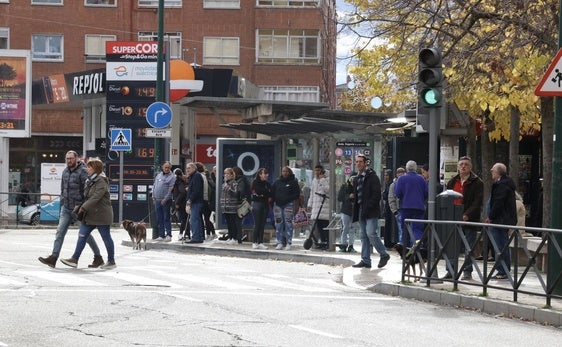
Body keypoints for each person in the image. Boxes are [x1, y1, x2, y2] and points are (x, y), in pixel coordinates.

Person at [38, 150, 104, 268]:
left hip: (79, 209)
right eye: (67, 159)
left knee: (85, 235)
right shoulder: (64, 172)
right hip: (66, 208)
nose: (69, 161)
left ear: (77, 159)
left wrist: (84, 207)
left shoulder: (83, 172)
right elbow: (62, 190)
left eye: (71, 158)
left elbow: (88, 191)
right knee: (60, 232)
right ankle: (53, 258)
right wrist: (62, 205)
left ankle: (98, 257)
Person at [60, 159, 116, 269]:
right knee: (82, 235)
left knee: (106, 238)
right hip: (90, 215)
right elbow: (86, 196)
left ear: (96, 169)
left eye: (90, 167)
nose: (87, 169)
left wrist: (83, 207)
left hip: (101, 215)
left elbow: (96, 197)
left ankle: (111, 261)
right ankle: (74, 259)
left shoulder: (101, 181)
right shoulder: (90, 180)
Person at [443, 156, 484, 280]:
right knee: (451, 246)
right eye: (461, 164)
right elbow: (446, 198)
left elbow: (477, 202)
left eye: (466, 164)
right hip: (453, 218)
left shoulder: (477, 182)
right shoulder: (452, 181)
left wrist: (467, 214)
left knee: (468, 246)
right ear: (458, 167)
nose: (463, 167)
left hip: (469, 219)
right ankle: (450, 271)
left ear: (470, 167)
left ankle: (467, 271)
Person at [351, 154, 390, 269]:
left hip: (371, 211)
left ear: (365, 163)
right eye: (356, 162)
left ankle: (384, 254)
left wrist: (369, 206)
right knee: (363, 236)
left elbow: (376, 194)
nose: (358, 164)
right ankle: (366, 260)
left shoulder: (372, 177)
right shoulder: (357, 177)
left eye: (360, 162)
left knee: (371, 233)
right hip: (361, 209)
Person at [485, 162, 517, 280]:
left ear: (498, 172)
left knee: (500, 246)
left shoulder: (502, 185)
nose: (491, 172)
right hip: (501, 220)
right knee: (500, 245)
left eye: (492, 170)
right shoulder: (503, 183)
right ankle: (502, 270)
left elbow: (498, 203)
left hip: (500, 220)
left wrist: (491, 216)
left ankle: (502, 271)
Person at [394, 160, 428, 247]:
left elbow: (397, 193)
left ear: (406, 169)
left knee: (405, 229)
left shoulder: (401, 179)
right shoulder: (421, 179)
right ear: (416, 169)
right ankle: (418, 248)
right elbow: (426, 193)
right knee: (417, 229)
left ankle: (405, 250)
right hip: (419, 208)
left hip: (405, 207)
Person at [271, 166, 301, 250]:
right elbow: (272, 192)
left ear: (289, 172)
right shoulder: (277, 182)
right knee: (278, 223)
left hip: (289, 204)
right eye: (283, 171)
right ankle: (279, 242)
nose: (285, 173)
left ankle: (288, 243)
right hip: (278, 205)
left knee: (288, 223)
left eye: (286, 171)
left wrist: (288, 199)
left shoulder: (293, 182)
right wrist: (275, 199)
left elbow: (297, 194)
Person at [307, 164, 330, 250]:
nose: (317, 172)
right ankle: (323, 242)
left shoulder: (327, 179)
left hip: (325, 205)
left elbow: (328, 190)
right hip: (316, 206)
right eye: (315, 170)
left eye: (318, 170)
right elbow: (312, 193)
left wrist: (322, 179)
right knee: (319, 225)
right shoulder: (314, 180)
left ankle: (327, 242)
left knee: (325, 225)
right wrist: (309, 204)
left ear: (322, 171)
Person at [152, 161, 175, 242]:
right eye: (165, 167)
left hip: (166, 200)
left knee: (166, 218)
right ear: (162, 167)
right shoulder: (158, 175)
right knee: (159, 218)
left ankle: (168, 235)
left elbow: (170, 189)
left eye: (168, 167)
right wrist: (153, 197)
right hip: (157, 200)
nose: (166, 169)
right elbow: (154, 186)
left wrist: (165, 199)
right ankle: (161, 235)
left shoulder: (172, 177)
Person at [251, 168, 272, 250]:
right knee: (257, 224)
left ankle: (260, 242)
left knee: (262, 224)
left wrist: (264, 194)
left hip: (265, 204)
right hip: (257, 205)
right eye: (264, 173)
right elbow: (258, 191)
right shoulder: (255, 182)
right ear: (260, 174)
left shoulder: (267, 183)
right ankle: (254, 242)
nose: (266, 175)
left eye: (267, 173)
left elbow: (270, 193)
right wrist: (265, 193)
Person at [221, 167, 242, 244]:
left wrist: (230, 189)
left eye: (227, 173)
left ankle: (234, 237)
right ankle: (230, 237)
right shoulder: (224, 183)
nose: (225, 175)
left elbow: (236, 194)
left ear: (231, 175)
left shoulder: (234, 183)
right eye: (225, 173)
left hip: (232, 206)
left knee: (233, 222)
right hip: (226, 206)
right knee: (229, 223)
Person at [185, 162, 205, 243]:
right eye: (187, 168)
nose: (187, 170)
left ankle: (196, 237)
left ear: (194, 168)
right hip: (195, 201)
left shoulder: (196, 176)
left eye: (189, 168)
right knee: (196, 219)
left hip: (196, 201)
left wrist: (190, 199)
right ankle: (199, 236)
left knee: (193, 220)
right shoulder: (193, 176)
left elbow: (196, 190)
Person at [337, 174, 356, 252]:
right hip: (346, 210)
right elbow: (340, 198)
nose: (353, 182)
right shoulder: (344, 186)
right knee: (345, 228)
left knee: (352, 228)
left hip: (354, 210)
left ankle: (351, 245)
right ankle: (343, 245)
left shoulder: (358, 187)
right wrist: (349, 197)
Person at [388, 167, 405, 247]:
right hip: (399, 210)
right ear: (397, 175)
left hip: (405, 209)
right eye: (399, 173)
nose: (401, 175)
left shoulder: (406, 183)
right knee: (401, 229)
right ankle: (402, 246)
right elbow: (391, 198)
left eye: (402, 173)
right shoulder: (393, 185)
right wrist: (394, 211)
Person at [172, 168, 189, 241]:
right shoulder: (184, 180)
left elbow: (182, 192)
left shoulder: (178, 182)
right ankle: (186, 234)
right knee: (185, 220)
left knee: (183, 220)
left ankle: (182, 234)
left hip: (181, 204)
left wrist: (177, 202)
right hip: (184, 203)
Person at [381, 169, 394, 249]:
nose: (386, 177)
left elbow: (386, 196)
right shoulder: (387, 184)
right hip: (388, 207)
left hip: (390, 207)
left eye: (387, 175)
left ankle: (389, 242)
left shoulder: (390, 184)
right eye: (385, 175)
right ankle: (387, 242)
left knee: (389, 225)